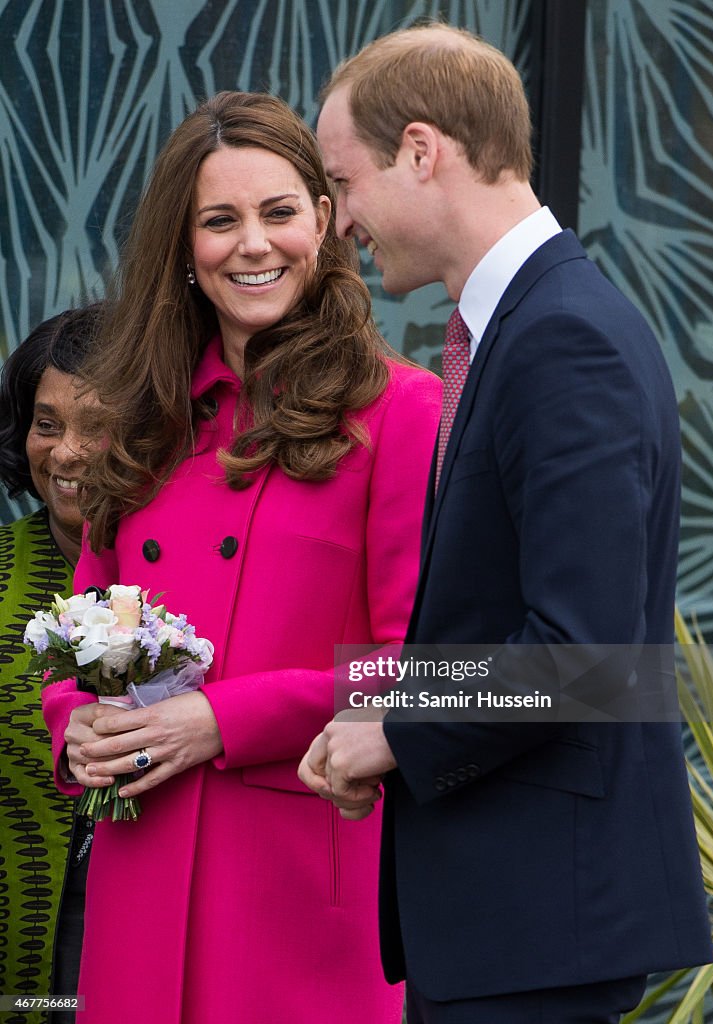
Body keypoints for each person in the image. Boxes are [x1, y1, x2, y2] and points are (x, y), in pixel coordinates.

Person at [299, 23, 713, 1024]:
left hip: (534, 927)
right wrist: (381, 709)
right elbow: (509, 626)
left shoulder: (561, 338)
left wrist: (395, 730)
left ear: (420, 150)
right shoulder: (525, 328)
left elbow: (584, 656)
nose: (337, 221)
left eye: (341, 183)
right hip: (507, 922)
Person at [40, 91, 440, 1024]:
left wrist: (221, 719)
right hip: (139, 880)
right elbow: (91, 610)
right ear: (184, 248)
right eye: (220, 221)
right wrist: (75, 722)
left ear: (326, 221)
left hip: (303, 894)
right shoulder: (144, 415)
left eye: (279, 213)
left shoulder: (401, 411)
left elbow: (421, 665)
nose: (254, 244)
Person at [0, 306, 102, 1024]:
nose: (66, 454)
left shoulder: (203, 569)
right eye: (47, 424)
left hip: (157, 941)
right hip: (20, 955)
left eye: (98, 426)